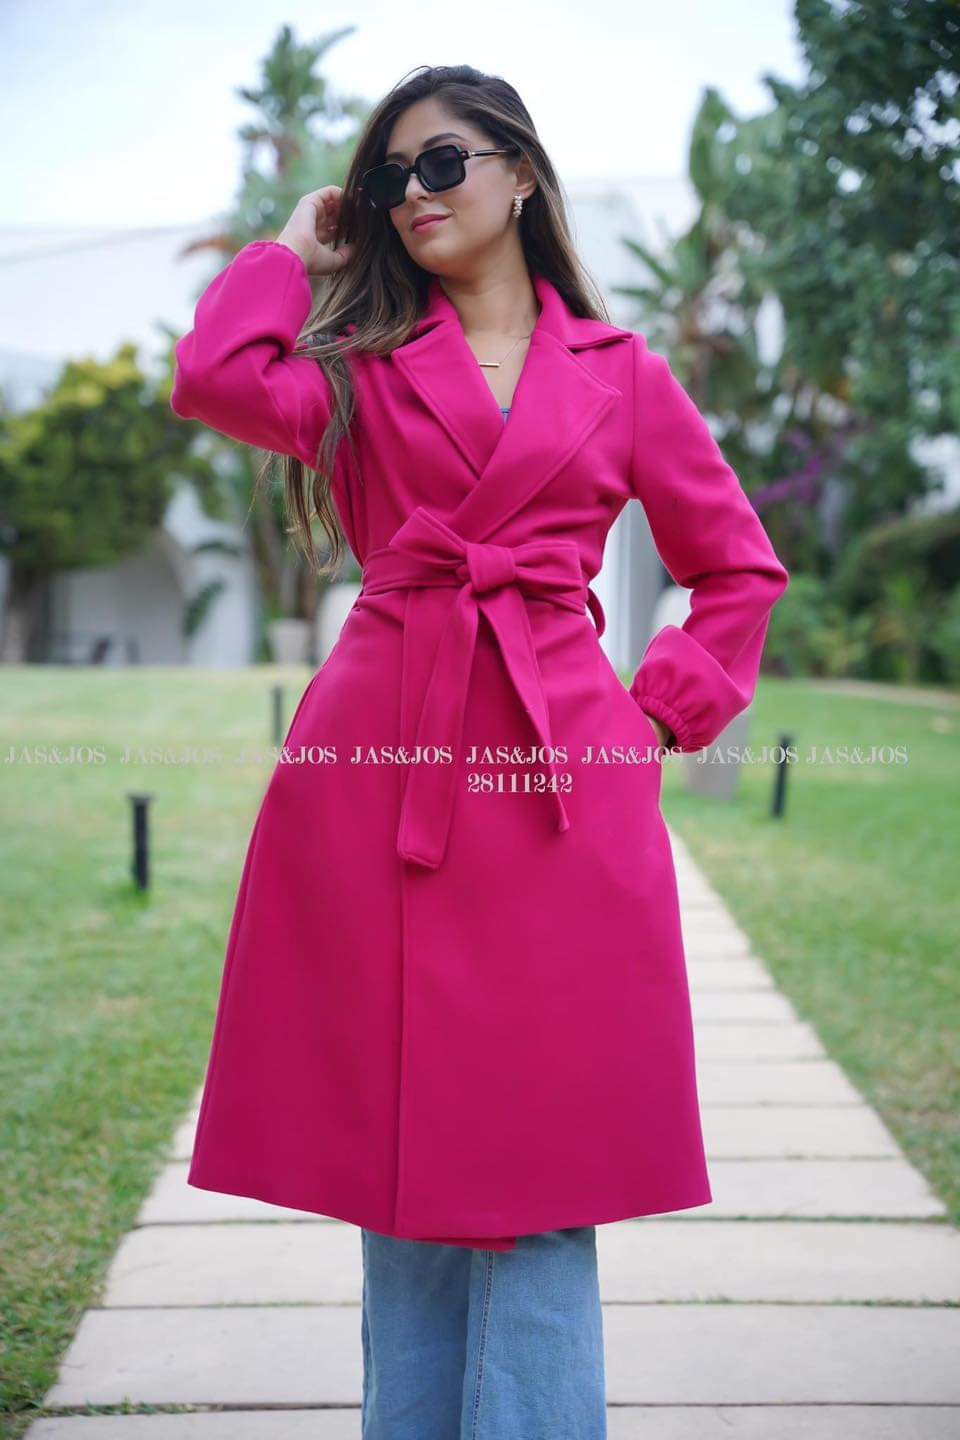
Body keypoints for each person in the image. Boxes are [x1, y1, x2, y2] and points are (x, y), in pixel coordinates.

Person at [171, 63, 789, 1439]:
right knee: (398, 1166)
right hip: (378, 772)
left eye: (442, 162)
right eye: (390, 175)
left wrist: (649, 720)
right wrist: (294, 244)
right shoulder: (356, 371)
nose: (413, 193)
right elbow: (213, 377)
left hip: (563, 781)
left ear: (522, 175)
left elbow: (738, 571)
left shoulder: (621, 374)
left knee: (549, 1168)